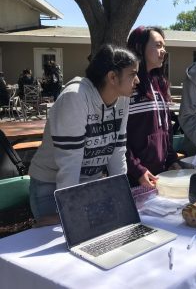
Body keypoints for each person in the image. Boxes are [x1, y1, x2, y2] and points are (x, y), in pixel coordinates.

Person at [28, 44, 139, 225]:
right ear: (112, 77)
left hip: (88, 183)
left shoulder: (123, 100)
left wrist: (123, 199)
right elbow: (69, 164)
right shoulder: (75, 97)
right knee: (60, 243)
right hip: (52, 185)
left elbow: (117, 153)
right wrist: (70, 212)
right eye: (133, 74)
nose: (138, 80)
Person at [126, 26, 180, 188]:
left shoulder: (159, 83)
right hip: (134, 178)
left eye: (164, 46)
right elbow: (117, 138)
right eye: (158, 45)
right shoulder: (127, 84)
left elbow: (166, 130)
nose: (163, 51)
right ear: (139, 47)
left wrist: (171, 159)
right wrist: (138, 170)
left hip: (160, 176)